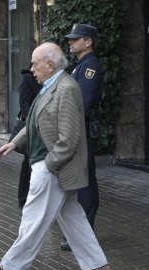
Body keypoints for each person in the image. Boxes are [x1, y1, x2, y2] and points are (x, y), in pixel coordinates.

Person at [0, 42, 111, 270]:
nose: (31, 69)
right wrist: (15, 143)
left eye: (35, 64)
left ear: (50, 65)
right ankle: (96, 265)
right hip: (47, 165)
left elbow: (68, 139)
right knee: (72, 216)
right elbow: (36, 121)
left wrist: (47, 166)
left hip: (52, 168)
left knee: (33, 220)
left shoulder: (66, 88)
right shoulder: (51, 86)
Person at [60, 23, 103, 251]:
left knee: (85, 181)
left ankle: (85, 232)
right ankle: (81, 233)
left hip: (84, 129)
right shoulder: (81, 66)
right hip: (80, 128)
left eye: (75, 39)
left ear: (88, 42)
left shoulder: (90, 67)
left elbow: (82, 104)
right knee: (82, 180)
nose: (70, 42)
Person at [9, 64, 42, 208]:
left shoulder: (45, 80)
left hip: (42, 128)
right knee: (28, 162)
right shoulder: (28, 78)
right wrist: (33, 123)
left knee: (33, 162)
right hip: (32, 128)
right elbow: (23, 104)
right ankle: (23, 199)